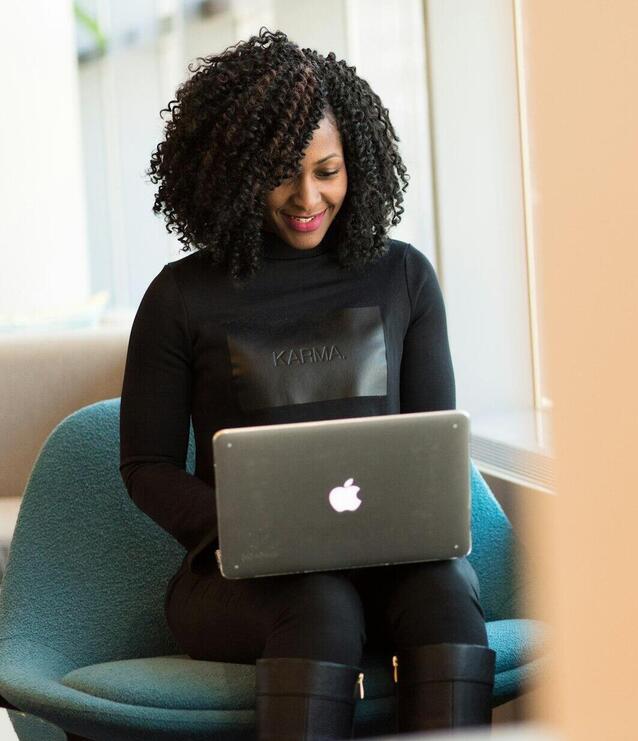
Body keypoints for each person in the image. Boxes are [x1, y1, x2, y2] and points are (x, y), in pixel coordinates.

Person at [118, 29, 494, 740]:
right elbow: (147, 466)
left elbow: (428, 449)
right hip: (241, 581)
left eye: (328, 170)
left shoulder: (404, 277)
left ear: (358, 163)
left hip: (393, 565)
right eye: (282, 173)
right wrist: (253, 530)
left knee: (446, 595)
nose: (307, 197)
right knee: (323, 603)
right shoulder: (180, 297)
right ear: (233, 171)